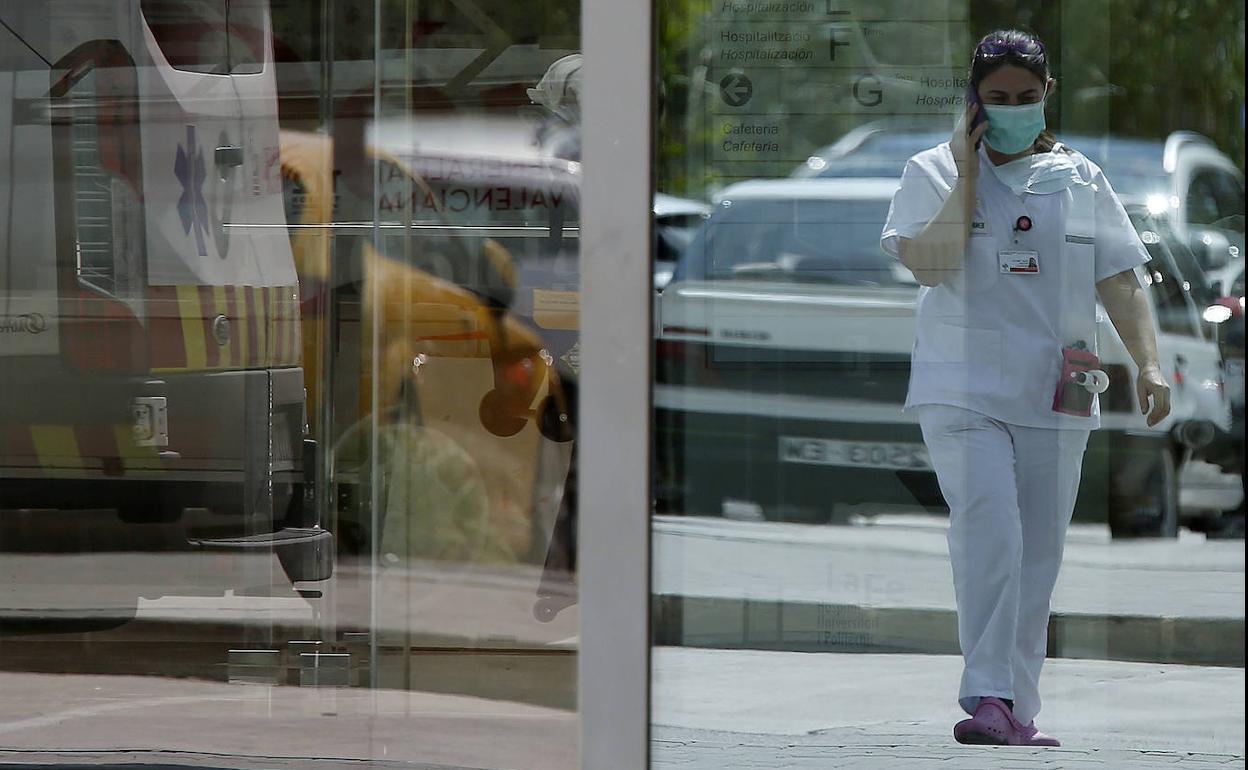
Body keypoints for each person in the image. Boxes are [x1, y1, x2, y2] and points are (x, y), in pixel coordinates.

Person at [880, 29, 1171, 747]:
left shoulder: (1080, 179)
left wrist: (1151, 363)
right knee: (992, 535)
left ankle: (1015, 709)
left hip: (1057, 390)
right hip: (963, 388)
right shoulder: (929, 172)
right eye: (996, 98)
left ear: (1048, 96)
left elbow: (1121, 279)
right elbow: (926, 265)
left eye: (1025, 97)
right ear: (972, 102)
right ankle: (986, 694)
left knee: (1038, 554)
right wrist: (968, 175)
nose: (1011, 109)